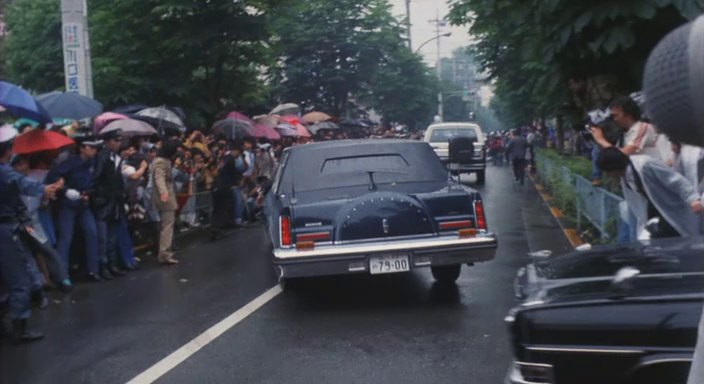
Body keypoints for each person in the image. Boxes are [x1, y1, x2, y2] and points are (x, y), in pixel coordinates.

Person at [0, 125, 62, 341]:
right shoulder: (4, 171)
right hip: (5, 230)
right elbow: (21, 182)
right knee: (19, 279)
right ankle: (20, 327)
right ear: (8, 150)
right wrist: (45, 189)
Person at [596, 147, 702, 240]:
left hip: (673, 210)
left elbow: (674, 179)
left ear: (613, 169)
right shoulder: (626, 177)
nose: (607, 175)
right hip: (657, 217)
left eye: (607, 172)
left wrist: (692, 198)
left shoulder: (646, 164)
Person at [46, 136, 104, 282]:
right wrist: (65, 190)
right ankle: (62, 276)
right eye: (91, 147)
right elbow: (53, 177)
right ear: (82, 148)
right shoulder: (71, 163)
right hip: (68, 205)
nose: (94, 150)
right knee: (66, 238)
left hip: (83, 204)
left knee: (92, 233)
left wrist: (87, 194)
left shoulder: (93, 163)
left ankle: (93, 270)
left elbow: (94, 182)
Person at [92, 130, 128, 279]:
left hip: (115, 202)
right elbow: (97, 178)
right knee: (103, 237)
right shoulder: (103, 157)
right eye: (115, 141)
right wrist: (102, 195)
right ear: (107, 141)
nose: (118, 144)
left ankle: (111, 264)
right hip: (104, 201)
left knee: (112, 236)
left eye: (119, 141)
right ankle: (103, 265)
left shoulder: (116, 158)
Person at [591, 96, 662, 159]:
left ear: (628, 115)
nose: (614, 119)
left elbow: (622, 154)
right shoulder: (623, 133)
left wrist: (600, 139)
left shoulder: (643, 127)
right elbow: (616, 154)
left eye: (616, 115)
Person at [151, 138, 179, 265]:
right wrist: (164, 192)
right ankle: (165, 253)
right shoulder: (161, 162)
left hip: (165, 195)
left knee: (166, 224)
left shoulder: (162, 160)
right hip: (165, 196)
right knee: (167, 225)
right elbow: (159, 178)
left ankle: (165, 251)